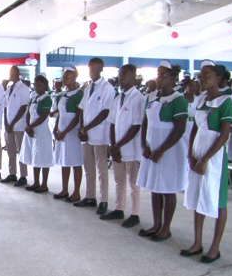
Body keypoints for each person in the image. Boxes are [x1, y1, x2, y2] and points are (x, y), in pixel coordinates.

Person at [182, 60, 232, 264]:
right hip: (198, 152)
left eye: (206, 75)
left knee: (218, 201)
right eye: (200, 75)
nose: (201, 79)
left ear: (218, 79)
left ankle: (215, 247)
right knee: (197, 197)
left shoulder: (225, 102)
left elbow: (224, 135)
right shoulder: (202, 99)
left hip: (214, 157)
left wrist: (205, 159)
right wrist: (190, 153)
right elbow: (195, 127)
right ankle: (197, 242)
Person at [137, 60, 188, 242]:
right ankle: (156, 224)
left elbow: (179, 129)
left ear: (173, 78)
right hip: (151, 148)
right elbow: (145, 122)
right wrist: (144, 145)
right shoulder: (151, 97)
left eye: (163, 75)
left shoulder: (178, 100)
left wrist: (161, 149)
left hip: (169, 150)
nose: (158, 78)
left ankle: (166, 228)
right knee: (155, 188)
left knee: (167, 189)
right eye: (158, 74)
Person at [102, 64, 145, 227]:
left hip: (130, 147)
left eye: (125, 75)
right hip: (117, 146)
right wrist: (112, 145)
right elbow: (112, 123)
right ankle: (119, 208)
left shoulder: (139, 98)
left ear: (134, 76)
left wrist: (118, 145)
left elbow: (136, 126)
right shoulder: (117, 98)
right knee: (119, 180)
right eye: (120, 74)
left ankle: (135, 213)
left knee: (133, 181)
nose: (121, 78)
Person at [76, 58, 114, 213]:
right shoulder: (88, 87)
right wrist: (81, 128)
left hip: (99, 134)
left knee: (102, 168)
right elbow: (82, 109)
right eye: (89, 68)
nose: (90, 70)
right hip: (86, 134)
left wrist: (86, 128)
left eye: (93, 68)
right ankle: (90, 196)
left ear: (101, 69)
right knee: (89, 167)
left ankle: (103, 200)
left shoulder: (107, 88)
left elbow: (105, 112)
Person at [52, 67, 84, 202]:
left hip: (72, 133)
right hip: (62, 132)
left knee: (75, 161)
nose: (64, 79)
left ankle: (76, 192)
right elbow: (61, 113)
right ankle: (64, 189)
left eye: (67, 77)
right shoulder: (64, 94)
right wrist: (56, 128)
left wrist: (65, 131)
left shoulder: (79, 94)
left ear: (74, 78)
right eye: (64, 77)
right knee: (64, 161)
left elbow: (77, 116)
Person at [20, 75, 53, 193]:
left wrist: (31, 126)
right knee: (35, 157)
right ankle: (36, 182)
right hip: (32, 131)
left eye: (40, 84)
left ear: (45, 85)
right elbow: (29, 113)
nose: (37, 87)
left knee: (43, 157)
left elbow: (44, 116)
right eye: (35, 84)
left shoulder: (47, 99)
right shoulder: (33, 98)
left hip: (42, 131)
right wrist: (28, 125)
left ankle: (44, 184)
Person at [2, 66, 30, 186]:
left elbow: (24, 107)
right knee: (10, 150)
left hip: (18, 126)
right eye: (10, 73)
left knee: (21, 151)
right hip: (8, 126)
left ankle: (23, 176)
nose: (10, 75)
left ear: (18, 74)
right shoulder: (9, 89)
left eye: (13, 73)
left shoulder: (23, 88)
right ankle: (12, 173)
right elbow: (5, 106)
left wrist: (12, 123)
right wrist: (6, 122)